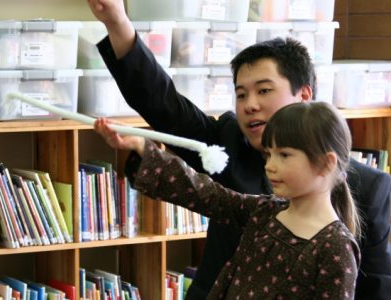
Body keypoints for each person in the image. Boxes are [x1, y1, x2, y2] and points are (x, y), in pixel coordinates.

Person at [87, 0, 391, 298]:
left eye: (264, 90)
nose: (250, 105)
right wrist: (117, 21)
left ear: (304, 95)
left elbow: (376, 287)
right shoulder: (231, 146)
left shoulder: (365, 197)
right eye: (241, 94)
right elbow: (167, 109)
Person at [93, 101, 361, 299]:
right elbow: (203, 193)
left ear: (326, 163)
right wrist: (141, 146)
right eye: (269, 155)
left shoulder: (335, 246)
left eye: (285, 155)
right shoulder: (265, 211)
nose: (270, 166)